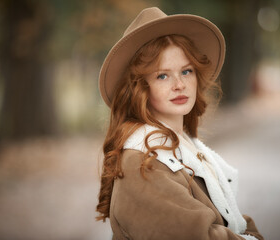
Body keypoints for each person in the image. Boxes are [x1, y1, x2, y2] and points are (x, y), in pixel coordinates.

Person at [96, 7, 263, 240]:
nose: (179, 84)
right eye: (162, 75)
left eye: (186, 71)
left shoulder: (189, 147)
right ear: (139, 88)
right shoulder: (142, 161)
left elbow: (229, 220)